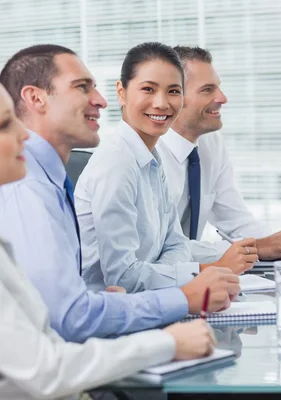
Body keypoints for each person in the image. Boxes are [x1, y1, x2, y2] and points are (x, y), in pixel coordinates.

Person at [0, 65, 216, 400]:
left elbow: (40, 333)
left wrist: (107, 306)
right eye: (4, 125)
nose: (24, 134)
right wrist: (167, 343)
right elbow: (43, 370)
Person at [0, 44, 240, 343]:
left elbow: (176, 245)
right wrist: (183, 297)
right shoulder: (28, 187)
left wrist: (127, 298)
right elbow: (71, 318)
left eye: (173, 91)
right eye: (82, 87)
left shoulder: (54, 179)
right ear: (35, 98)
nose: (100, 101)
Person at [75, 42, 257, 294]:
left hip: (149, 300)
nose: (161, 103)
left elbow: (176, 245)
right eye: (148, 89)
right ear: (121, 92)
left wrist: (162, 271)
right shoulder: (116, 163)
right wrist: (204, 272)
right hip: (111, 315)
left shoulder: (150, 157)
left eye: (173, 91)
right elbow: (123, 277)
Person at [155, 46, 281, 264]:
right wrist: (253, 249)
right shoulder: (148, 155)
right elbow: (159, 250)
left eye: (218, 87)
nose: (222, 98)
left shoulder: (209, 143)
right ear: (174, 98)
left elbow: (236, 221)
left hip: (194, 278)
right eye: (207, 90)